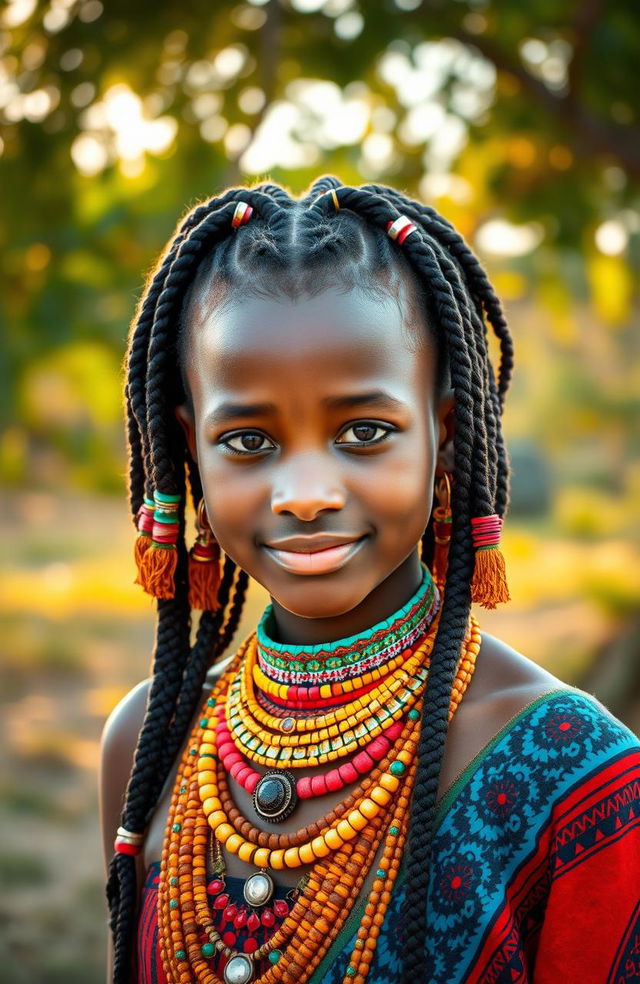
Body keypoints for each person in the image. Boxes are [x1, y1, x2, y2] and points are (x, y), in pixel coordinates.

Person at [99, 177, 640, 984]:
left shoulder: (577, 774)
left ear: (445, 434)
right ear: (189, 454)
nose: (307, 492)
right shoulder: (147, 741)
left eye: (363, 431)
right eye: (248, 441)